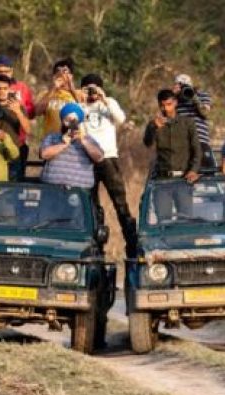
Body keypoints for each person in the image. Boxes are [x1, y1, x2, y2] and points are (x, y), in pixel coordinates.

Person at [80, 73, 137, 258]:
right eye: (87, 88)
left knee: (120, 201)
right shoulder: (80, 106)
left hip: (108, 157)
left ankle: (132, 243)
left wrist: (104, 99)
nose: (91, 92)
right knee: (91, 204)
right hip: (87, 159)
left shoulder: (108, 102)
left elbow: (121, 119)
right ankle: (97, 246)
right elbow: (71, 122)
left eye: (94, 88)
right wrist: (80, 100)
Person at [144, 89, 201, 220]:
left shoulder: (187, 123)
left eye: (169, 104)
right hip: (162, 180)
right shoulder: (154, 124)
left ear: (175, 103)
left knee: (185, 220)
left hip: (183, 179)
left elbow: (197, 149)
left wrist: (193, 170)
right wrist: (154, 128)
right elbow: (147, 143)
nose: (166, 108)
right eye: (162, 105)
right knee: (163, 221)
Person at [39, 103, 103, 189]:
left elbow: (99, 157)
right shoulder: (52, 137)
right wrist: (63, 145)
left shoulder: (88, 139)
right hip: (52, 188)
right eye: (67, 120)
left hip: (79, 190)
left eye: (74, 120)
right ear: (62, 121)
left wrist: (83, 141)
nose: (71, 124)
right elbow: (43, 154)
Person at [0, 74, 32, 180]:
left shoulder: (18, 107)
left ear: (10, 89)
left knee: (13, 189)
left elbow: (28, 130)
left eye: (5, 88)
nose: (2, 91)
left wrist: (18, 112)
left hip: (14, 154)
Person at [172, 74, 213, 168]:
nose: (183, 89)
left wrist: (193, 97)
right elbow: (166, 116)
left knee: (208, 171)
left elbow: (205, 113)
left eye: (185, 85)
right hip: (183, 143)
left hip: (200, 140)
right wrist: (172, 95)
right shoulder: (174, 100)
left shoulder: (202, 95)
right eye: (180, 85)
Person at [35, 58, 82, 137]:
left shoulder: (79, 93)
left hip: (73, 141)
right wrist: (54, 88)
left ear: (71, 76)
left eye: (64, 71)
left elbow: (85, 111)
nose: (61, 74)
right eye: (57, 71)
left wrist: (72, 89)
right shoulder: (45, 94)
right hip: (51, 141)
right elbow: (37, 111)